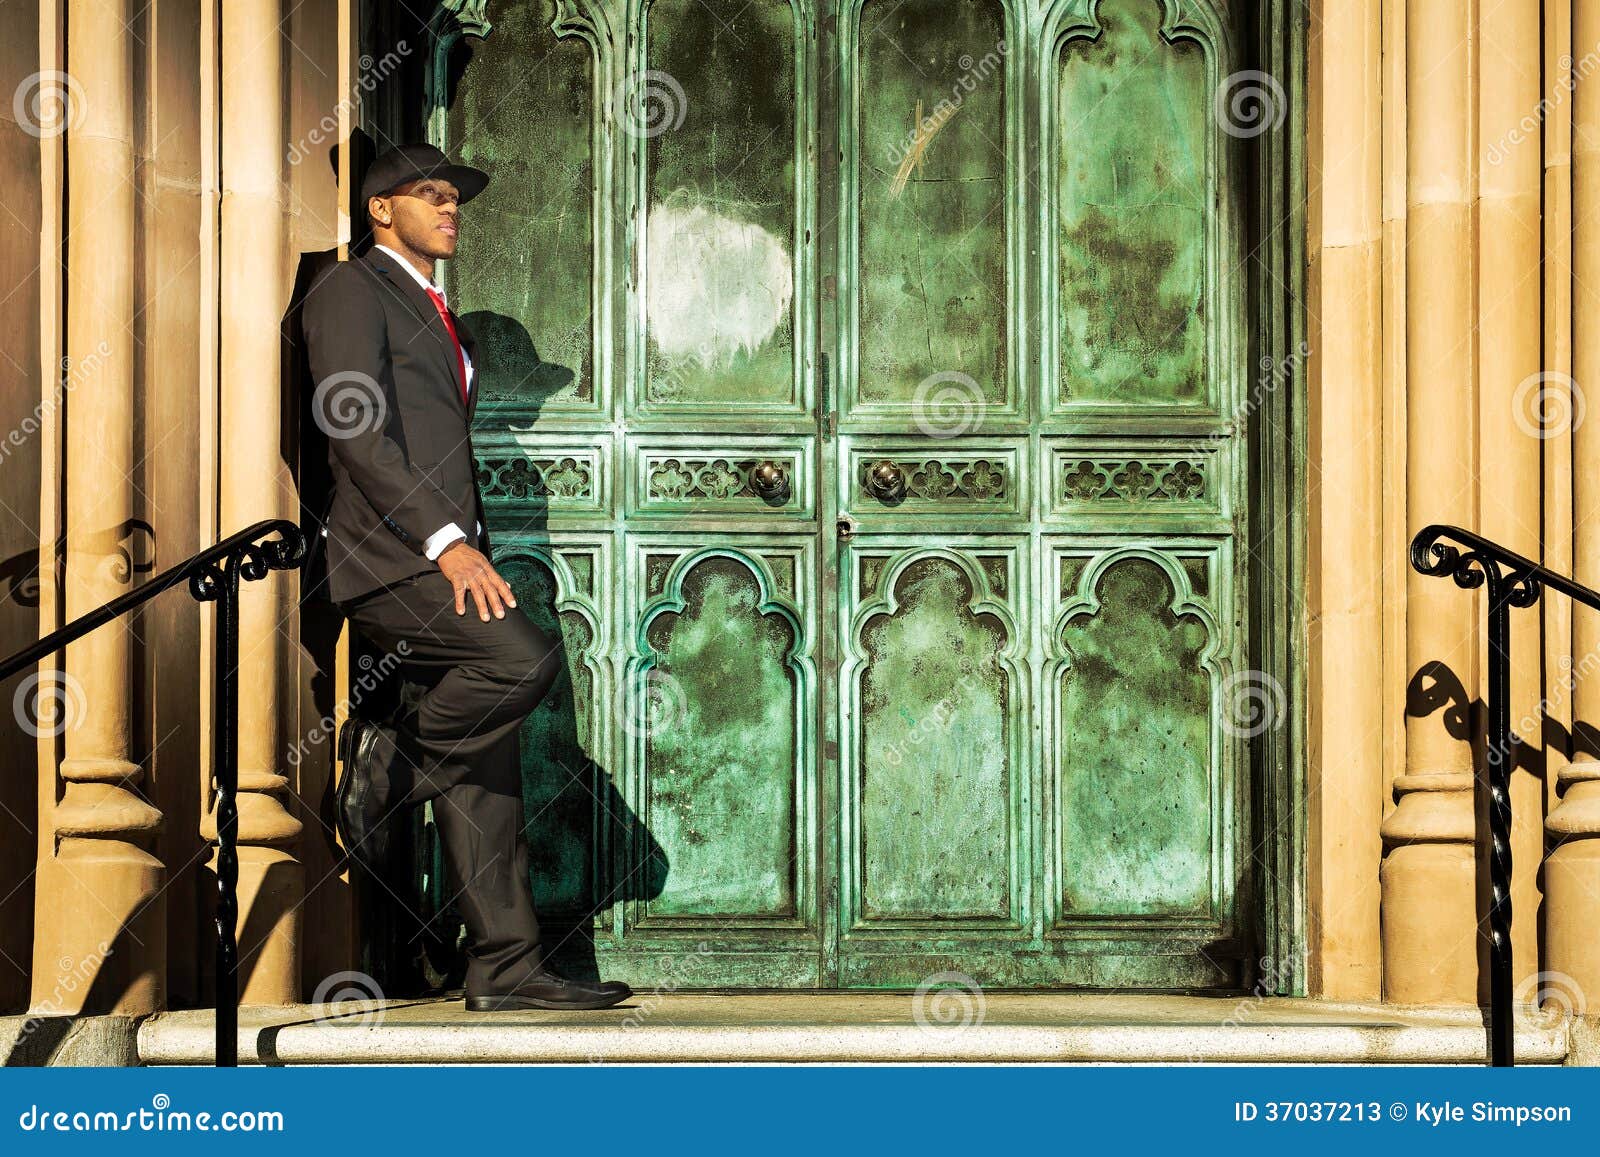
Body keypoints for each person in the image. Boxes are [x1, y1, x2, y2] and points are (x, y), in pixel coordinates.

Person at [301, 142, 630, 1012]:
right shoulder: (350, 289)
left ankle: (504, 962)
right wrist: (445, 540)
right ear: (381, 209)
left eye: (455, 197)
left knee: (488, 762)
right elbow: (355, 427)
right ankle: (390, 765)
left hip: (440, 554)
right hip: (390, 558)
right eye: (431, 194)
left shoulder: (434, 307)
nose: (451, 208)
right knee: (522, 661)